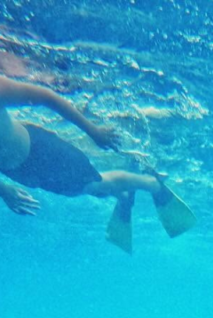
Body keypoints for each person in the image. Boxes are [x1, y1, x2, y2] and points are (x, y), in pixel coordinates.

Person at [0, 75, 195, 252]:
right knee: (79, 190)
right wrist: (4, 190)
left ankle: (150, 183)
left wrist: (94, 132)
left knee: (93, 185)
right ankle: (123, 193)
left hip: (42, 153)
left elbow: (46, 97)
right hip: (19, 170)